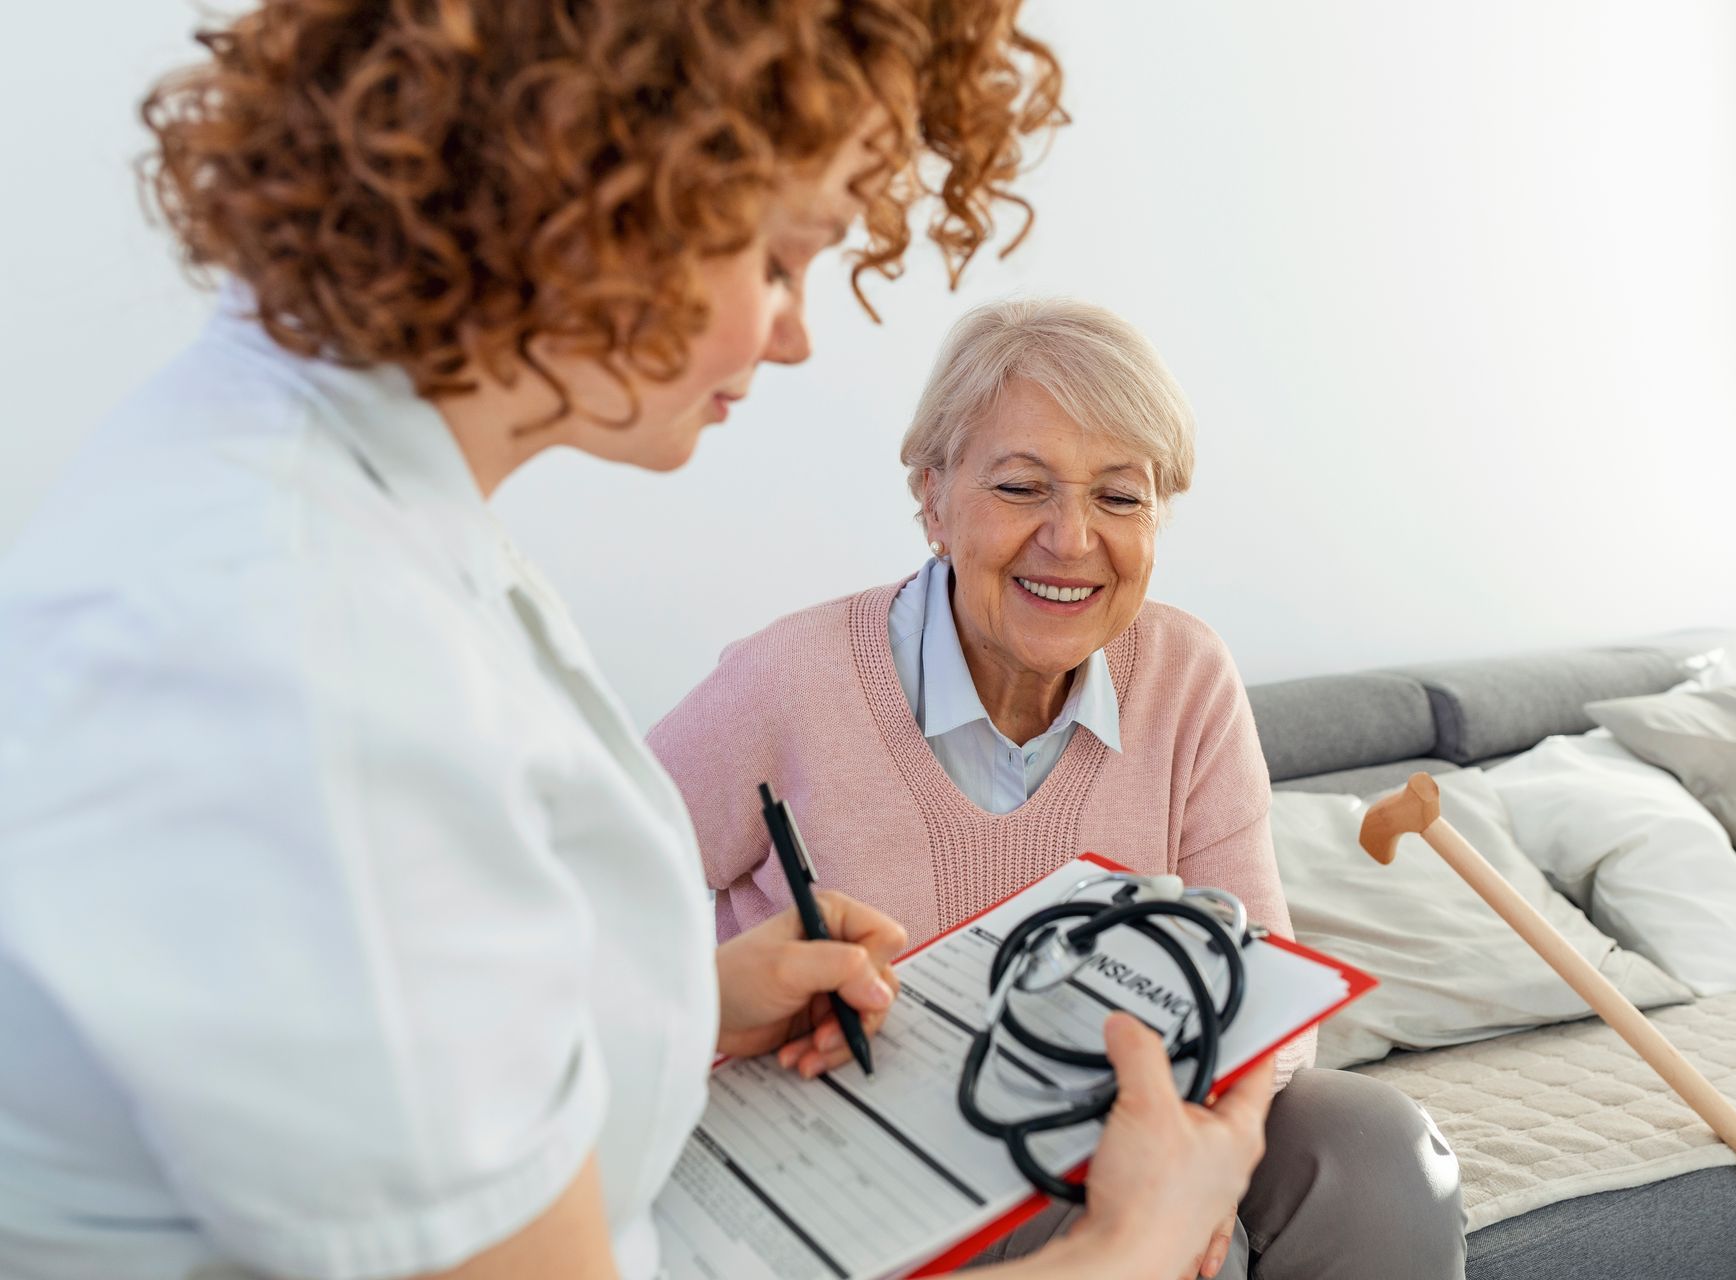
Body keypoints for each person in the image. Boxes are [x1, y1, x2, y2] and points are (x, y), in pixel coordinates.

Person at [0, 4, 1280, 1279]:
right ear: (602, 194)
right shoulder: (309, 652)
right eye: (780, 260)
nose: (794, 333)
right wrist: (1134, 1243)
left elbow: (437, 1040)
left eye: (1121, 493)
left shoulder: (358, 513)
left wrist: (707, 996)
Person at [649, 298, 1469, 1279]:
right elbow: (561, 929)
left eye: (1120, 497)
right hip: (853, 1153)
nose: (1072, 537)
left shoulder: (1188, 673)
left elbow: (1267, 989)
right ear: (933, 497)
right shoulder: (784, 678)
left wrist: (1209, 1162)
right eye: (1022, 486)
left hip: (1116, 1116)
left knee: (1377, 1145)